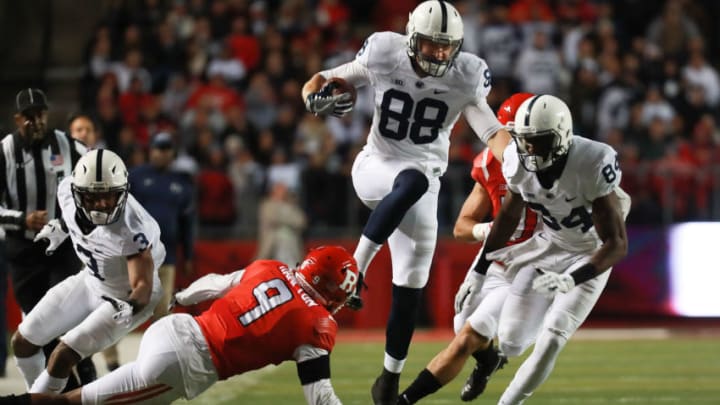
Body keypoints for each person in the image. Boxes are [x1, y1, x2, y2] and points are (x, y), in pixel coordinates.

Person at [302, 2, 511, 403]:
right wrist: (315, 97)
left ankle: (388, 381)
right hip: (376, 167)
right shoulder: (384, 51)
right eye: (431, 45)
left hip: (422, 187)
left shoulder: (466, 74)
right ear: (412, 39)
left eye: (446, 47)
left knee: (410, 289)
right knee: (410, 179)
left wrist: (518, 161)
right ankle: (356, 268)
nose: (438, 54)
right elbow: (324, 79)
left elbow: (491, 130)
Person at [398, 94, 631, 404]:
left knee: (552, 336)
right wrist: (479, 270)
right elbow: (506, 218)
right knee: (509, 340)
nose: (529, 149)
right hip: (548, 245)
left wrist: (574, 278)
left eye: (538, 141)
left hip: (591, 253)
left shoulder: (592, 161)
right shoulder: (515, 161)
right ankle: (493, 360)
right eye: (525, 140)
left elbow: (616, 244)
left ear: (561, 137)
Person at [1, 245, 359, 405]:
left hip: (176, 328)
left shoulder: (271, 268)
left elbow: (215, 283)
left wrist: (181, 298)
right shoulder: (316, 324)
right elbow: (321, 398)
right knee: (70, 402)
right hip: (184, 365)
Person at [11, 148, 166, 394]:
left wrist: (130, 305)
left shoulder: (132, 225)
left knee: (63, 356)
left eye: (109, 196)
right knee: (23, 342)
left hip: (123, 299)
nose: (102, 204)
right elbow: (75, 217)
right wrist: (62, 227)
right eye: (92, 197)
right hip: (91, 282)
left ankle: (35, 401)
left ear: (123, 192)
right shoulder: (67, 191)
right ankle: (39, 397)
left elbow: (143, 286)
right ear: (77, 193)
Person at [0, 88, 92, 390]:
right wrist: (20, 218)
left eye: (40, 114)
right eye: (29, 116)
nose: (36, 121)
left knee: (65, 316)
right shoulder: (5, 151)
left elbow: (96, 177)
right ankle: (65, 390)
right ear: (17, 118)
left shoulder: (69, 146)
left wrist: (70, 222)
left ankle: (85, 376)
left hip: (62, 247)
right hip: (23, 251)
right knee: (40, 327)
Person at [451, 92, 539, 402]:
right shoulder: (489, 164)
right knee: (460, 321)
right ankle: (488, 362)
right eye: (511, 136)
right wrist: (487, 228)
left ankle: (531, 322)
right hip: (497, 255)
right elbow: (461, 227)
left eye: (525, 136)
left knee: (502, 338)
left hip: (536, 259)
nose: (519, 145)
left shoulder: (554, 165)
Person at [129, 132, 195, 323]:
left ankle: (160, 351)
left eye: (166, 149)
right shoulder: (136, 177)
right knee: (123, 308)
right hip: (137, 254)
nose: (162, 154)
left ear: (172, 153)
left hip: (167, 254)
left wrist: (189, 255)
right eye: (159, 149)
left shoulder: (182, 184)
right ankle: (110, 353)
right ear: (151, 151)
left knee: (162, 311)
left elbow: (187, 223)